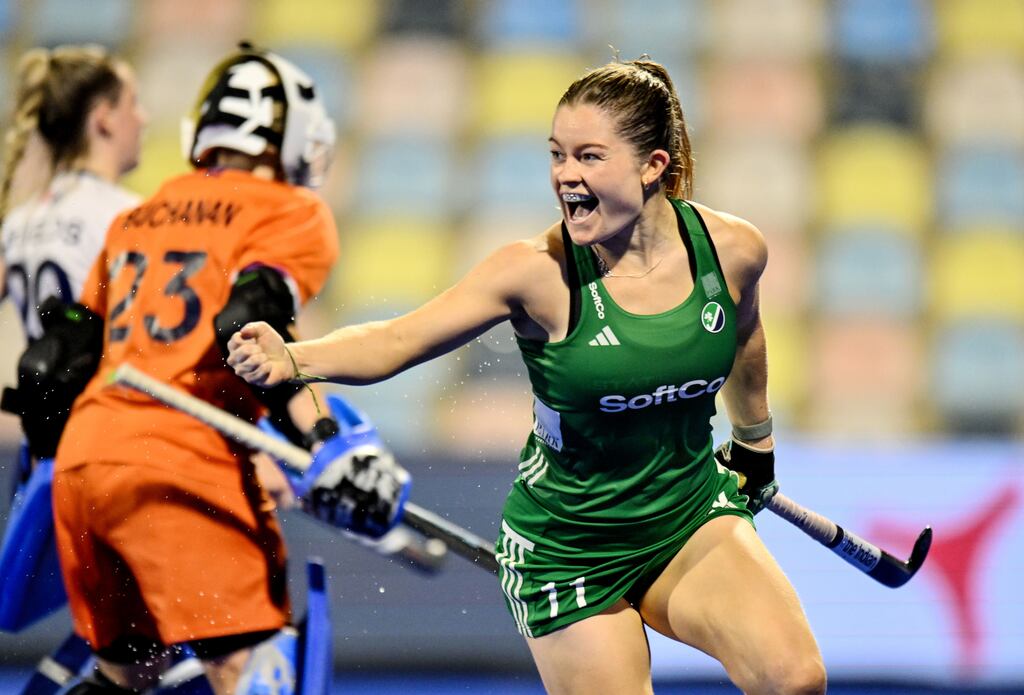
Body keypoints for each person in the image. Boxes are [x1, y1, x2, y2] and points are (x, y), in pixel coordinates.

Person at [228, 58, 828, 695]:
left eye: (590, 157)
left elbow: (743, 338)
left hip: (686, 513)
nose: (566, 176)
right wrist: (294, 357)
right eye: (557, 155)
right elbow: (399, 339)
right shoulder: (536, 274)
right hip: (568, 548)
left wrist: (755, 442)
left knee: (795, 680)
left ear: (653, 165)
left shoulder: (732, 250)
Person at [48, 43, 408, 695]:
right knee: (253, 666)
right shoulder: (288, 210)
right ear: (291, 135)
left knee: (127, 673)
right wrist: (326, 441)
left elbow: (59, 366)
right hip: (179, 462)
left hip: (83, 469)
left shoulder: (137, 216)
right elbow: (252, 332)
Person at [0, 44, 144, 642]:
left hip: (50, 460)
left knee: (122, 647)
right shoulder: (130, 217)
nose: (146, 118)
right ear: (103, 118)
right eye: (133, 103)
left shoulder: (18, 221)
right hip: (120, 453)